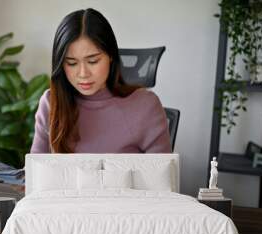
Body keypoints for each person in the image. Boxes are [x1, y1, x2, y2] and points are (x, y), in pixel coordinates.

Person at [30, 8, 171, 154]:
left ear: (110, 56)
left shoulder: (145, 105)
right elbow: (35, 172)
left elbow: (162, 175)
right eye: (71, 63)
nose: (83, 74)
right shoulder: (50, 103)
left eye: (93, 61)